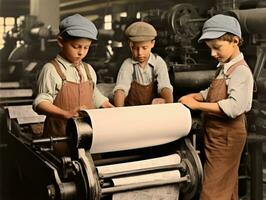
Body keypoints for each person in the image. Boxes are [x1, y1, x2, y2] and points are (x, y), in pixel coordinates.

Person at [178, 14, 253, 200]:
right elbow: (216, 89)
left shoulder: (241, 71)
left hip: (227, 137)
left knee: (212, 192)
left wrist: (197, 105)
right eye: (210, 48)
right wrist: (199, 95)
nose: (212, 53)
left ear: (234, 41)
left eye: (216, 48)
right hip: (216, 135)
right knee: (226, 186)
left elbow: (234, 106)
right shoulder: (224, 67)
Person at [33, 14, 113, 155]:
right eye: (76, 46)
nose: (81, 52)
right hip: (60, 140)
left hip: (88, 139)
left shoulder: (88, 70)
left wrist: (109, 107)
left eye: (86, 47)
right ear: (60, 41)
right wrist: (66, 114)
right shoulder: (51, 70)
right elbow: (40, 103)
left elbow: (94, 95)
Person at [113, 21, 173, 106]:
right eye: (135, 48)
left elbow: (165, 87)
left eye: (144, 48)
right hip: (132, 110)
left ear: (153, 44)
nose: (140, 53)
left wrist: (169, 107)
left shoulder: (158, 62)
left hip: (152, 111)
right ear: (130, 45)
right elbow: (120, 90)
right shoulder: (128, 64)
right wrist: (119, 111)